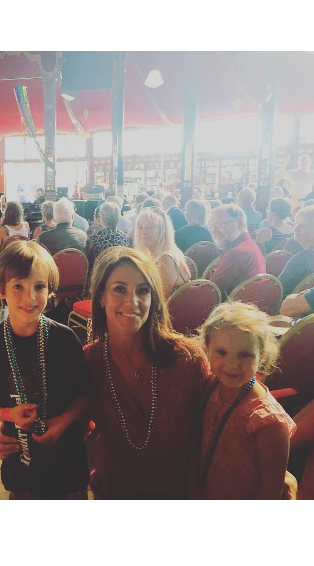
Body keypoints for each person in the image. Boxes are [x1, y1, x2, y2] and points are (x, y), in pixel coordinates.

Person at [0, 241, 91, 500]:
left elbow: (84, 393)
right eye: (18, 286)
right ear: (1, 290)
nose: (29, 297)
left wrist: (62, 422)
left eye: (39, 286)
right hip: (21, 461)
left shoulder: (65, 338)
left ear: (51, 289)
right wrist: (8, 414)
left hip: (68, 462)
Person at [84, 248, 211, 499]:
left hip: (180, 491)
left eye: (143, 291)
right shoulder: (89, 361)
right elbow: (68, 422)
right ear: (101, 296)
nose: (132, 302)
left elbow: (216, 423)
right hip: (114, 490)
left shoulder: (187, 359)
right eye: (120, 289)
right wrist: (11, 432)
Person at [190, 303, 295, 500]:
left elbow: (270, 490)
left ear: (261, 357)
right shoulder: (209, 386)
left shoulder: (267, 421)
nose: (232, 365)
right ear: (207, 349)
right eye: (221, 352)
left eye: (245, 354)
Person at [208, 205, 266, 298]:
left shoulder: (236, 253)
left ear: (240, 223)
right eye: (211, 225)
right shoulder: (249, 244)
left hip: (231, 310)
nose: (214, 231)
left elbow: (211, 293)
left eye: (221, 224)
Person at [134, 207, 191, 298]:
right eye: (140, 227)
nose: (143, 231)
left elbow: (158, 301)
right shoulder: (150, 255)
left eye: (150, 226)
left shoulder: (166, 259)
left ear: (163, 231)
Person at [0, 202, 30, 280]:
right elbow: (28, 244)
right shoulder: (26, 225)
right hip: (23, 259)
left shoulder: (1, 229)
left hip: (7, 261)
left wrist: (0, 268)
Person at [279, 207, 314, 298]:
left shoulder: (301, 260)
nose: (295, 229)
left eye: (303, 226)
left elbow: (278, 291)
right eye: (296, 224)